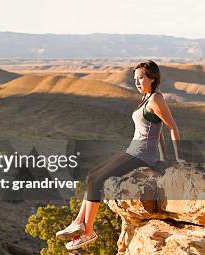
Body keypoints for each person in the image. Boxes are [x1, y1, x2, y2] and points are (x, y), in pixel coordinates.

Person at [56, 60, 183, 251]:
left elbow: (171, 127)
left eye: (141, 78)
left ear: (153, 78)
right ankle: (78, 222)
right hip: (133, 151)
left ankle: (88, 230)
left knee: (98, 180)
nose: (137, 82)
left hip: (142, 155)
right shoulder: (146, 98)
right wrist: (163, 159)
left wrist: (177, 160)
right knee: (93, 175)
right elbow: (158, 130)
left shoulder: (156, 99)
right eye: (135, 79)